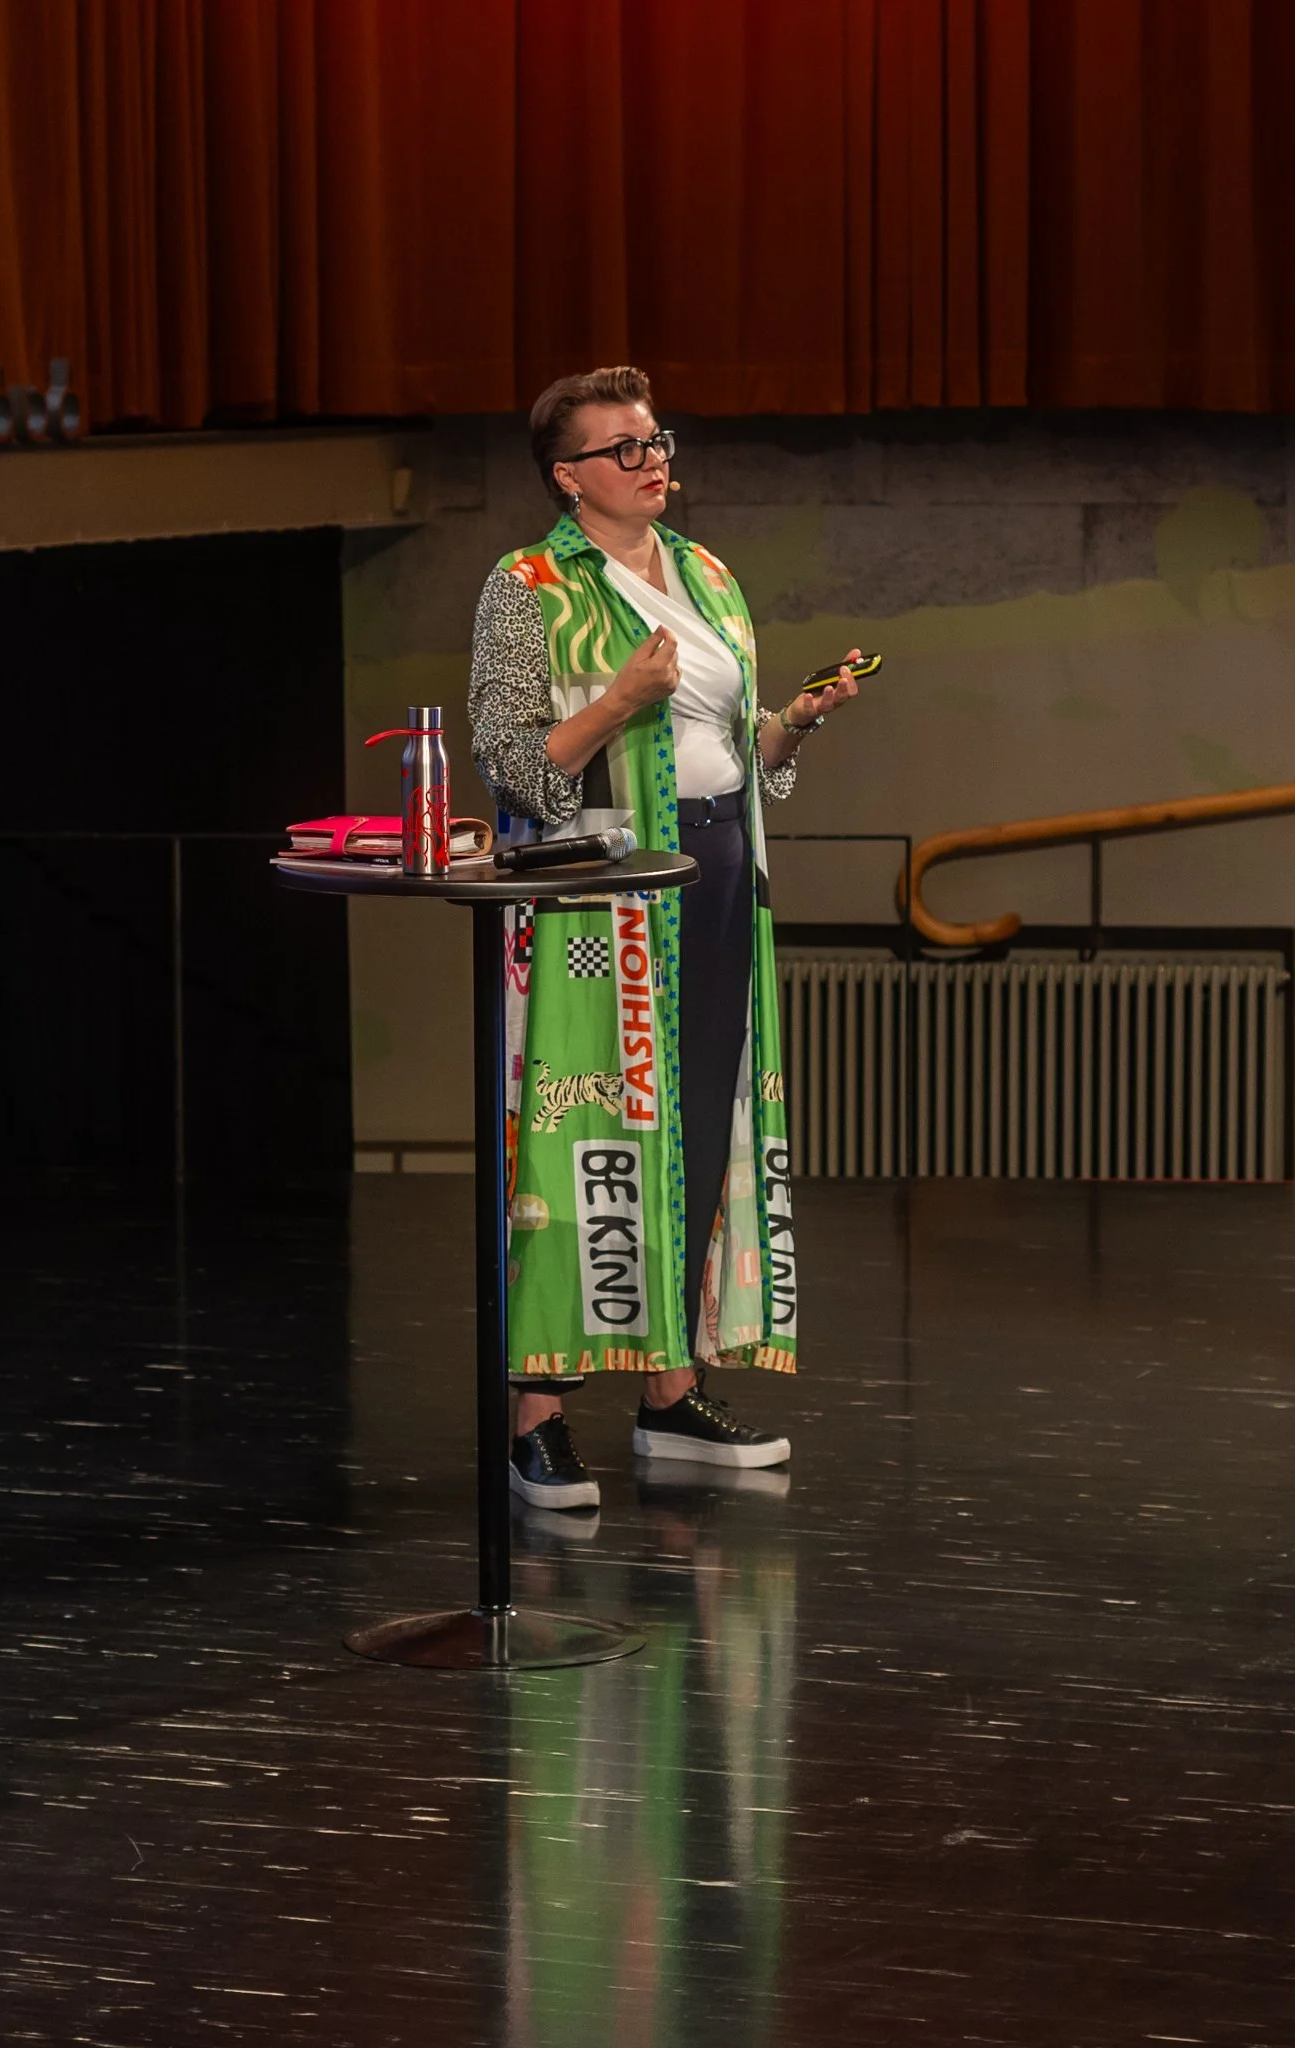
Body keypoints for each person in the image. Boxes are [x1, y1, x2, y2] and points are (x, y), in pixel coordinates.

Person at [468, 365, 865, 1511]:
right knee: (585, 1138)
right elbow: (514, 763)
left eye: (656, 440)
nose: (653, 462)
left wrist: (791, 721)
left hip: (718, 869)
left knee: (694, 1129)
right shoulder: (528, 583)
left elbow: (735, 750)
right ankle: (534, 1419)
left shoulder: (705, 573)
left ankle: (669, 1392)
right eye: (625, 448)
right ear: (569, 476)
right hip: (605, 895)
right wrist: (617, 703)